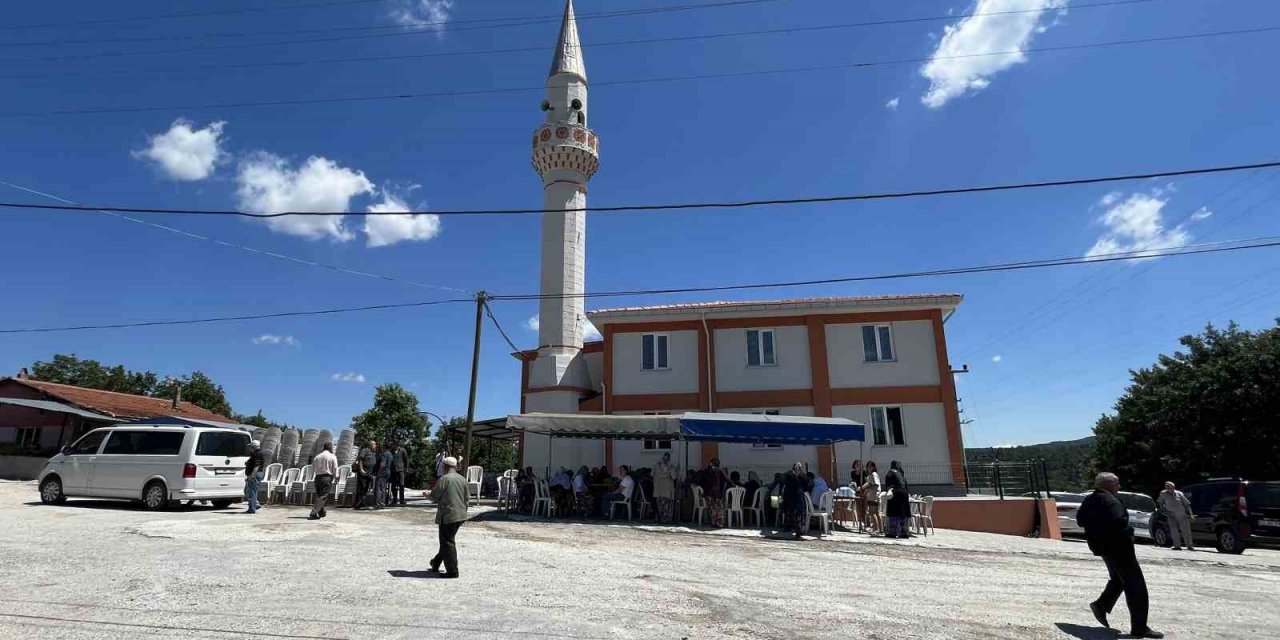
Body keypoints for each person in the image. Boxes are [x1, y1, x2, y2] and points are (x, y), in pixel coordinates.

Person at [1077, 472, 1163, 639]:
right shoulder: (1110, 501)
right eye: (1117, 484)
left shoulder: (1090, 499)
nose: (1119, 487)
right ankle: (1139, 628)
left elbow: (1081, 520)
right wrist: (1129, 534)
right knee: (1136, 587)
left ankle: (1101, 605)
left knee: (1119, 579)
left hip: (1102, 548)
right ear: (1108, 484)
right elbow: (1118, 522)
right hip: (1119, 549)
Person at [429, 456, 468, 579]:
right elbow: (467, 499)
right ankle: (436, 563)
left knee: (447, 542)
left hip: (448, 515)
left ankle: (452, 571)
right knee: (447, 540)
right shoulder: (462, 479)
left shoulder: (444, 479)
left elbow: (434, 496)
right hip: (460, 515)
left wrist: (426, 495)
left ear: (445, 466)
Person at [1158, 481, 1195, 551]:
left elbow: (1187, 504)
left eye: (1169, 486)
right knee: (1173, 530)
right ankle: (1177, 546)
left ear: (1173, 487)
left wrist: (1191, 515)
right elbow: (1160, 503)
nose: (1167, 487)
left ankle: (1189, 546)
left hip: (1181, 513)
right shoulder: (1163, 493)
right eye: (1166, 486)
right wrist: (1165, 511)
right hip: (1171, 514)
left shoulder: (1179, 493)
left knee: (1186, 530)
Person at [781, 462, 813, 539]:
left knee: (789, 512)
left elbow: (784, 484)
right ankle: (798, 531)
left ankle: (787, 527)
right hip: (798, 495)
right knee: (799, 513)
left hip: (789, 495)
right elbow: (806, 487)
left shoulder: (788, 475)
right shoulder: (802, 475)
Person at [309, 442, 338, 520]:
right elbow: (335, 468)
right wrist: (336, 477)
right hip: (327, 477)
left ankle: (321, 512)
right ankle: (314, 512)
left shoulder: (317, 457)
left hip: (318, 477)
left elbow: (313, 468)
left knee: (319, 495)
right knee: (323, 495)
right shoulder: (332, 456)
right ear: (330, 448)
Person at [884, 461, 911, 539]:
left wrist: (888, 491)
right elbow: (906, 485)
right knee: (903, 512)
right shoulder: (901, 474)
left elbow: (888, 484)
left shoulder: (890, 473)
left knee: (893, 512)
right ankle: (904, 532)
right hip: (904, 494)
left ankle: (893, 532)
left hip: (895, 493)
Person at [652, 452, 679, 523]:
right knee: (668, 507)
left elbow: (651, 474)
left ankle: (660, 519)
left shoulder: (655, 465)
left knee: (660, 506)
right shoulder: (671, 467)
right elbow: (674, 477)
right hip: (668, 491)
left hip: (658, 490)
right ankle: (666, 520)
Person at [244, 440, 265, 514]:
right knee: (249, 491)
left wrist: (252, 476)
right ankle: (255, 505)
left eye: (251, 447)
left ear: (254, 447)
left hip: (255, 474)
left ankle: (252, 508)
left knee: (252, 491)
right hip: (253, 474)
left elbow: (257, 466)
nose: (250, 448)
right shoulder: (254, 454)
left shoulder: (258, 454)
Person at [861, 460, 882, 533]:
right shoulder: (871, 475)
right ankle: (880, 529)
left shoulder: (873, 474)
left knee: (873, 513)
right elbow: (868, 483)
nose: (869, 468)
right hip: (874, 496)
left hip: (873, 496)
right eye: (868, 467)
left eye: (870, 467)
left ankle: (876, 529)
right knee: (876, 513)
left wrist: (867, 490)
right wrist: (863, 488)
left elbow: (875, 485)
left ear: (873, 467)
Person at [355, 440, 377, 510]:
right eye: (374, 444)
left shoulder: (373, 452)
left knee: (366, 488)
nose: (375, 446)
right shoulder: (365, 450)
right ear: (370, 445)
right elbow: (360, 459)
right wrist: (361, 469)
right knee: (361, 487)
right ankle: (358, 504)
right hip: (363, 473)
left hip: (369, 473)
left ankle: (362, 502)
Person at [389, 440, 409, 506]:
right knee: (393, 486)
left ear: (396, 445)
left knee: (401, 485)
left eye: (393, 444)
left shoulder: (402, 450)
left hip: (401, 470)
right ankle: (394, 500)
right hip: (393, 470)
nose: (392, 446)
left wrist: (406, 469)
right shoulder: (391, 451)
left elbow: (406, 460)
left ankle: (402, 500)